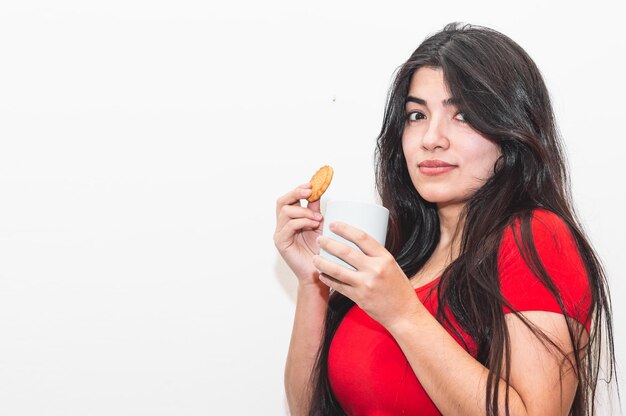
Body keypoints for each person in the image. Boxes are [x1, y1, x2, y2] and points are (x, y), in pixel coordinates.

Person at [274, 22, 616, 416]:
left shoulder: (536, 237)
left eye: (464, 115)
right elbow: (307, 408)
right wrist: (310, 283)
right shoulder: (400, 258)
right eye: (417, 115)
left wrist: (403, 313)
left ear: (512, 133)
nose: (431, 138)